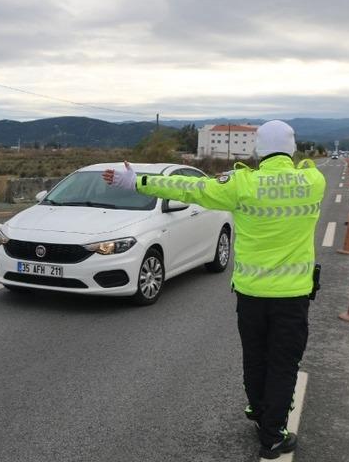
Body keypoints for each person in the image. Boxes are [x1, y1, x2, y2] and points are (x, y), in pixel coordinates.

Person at [102, 120, 325, 459]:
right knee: (283, 364)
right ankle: (273, 436)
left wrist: (136, 181)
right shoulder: (314, 180)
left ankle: (259, 411)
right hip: (292, 296)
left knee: (254, 356)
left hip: (251, 293)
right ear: (292, 149)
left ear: (258, 149)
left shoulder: (241, 184)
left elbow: (188, 188)